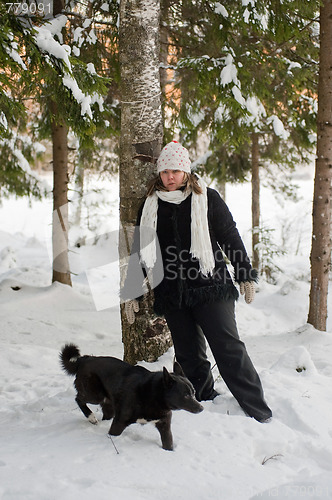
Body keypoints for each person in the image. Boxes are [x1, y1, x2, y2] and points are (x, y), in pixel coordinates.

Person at [122, 140, 272, 423]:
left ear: (186, 171)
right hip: (173, 292)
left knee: (228, 349)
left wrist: (244, 273)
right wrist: (132, 292)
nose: (169, 177)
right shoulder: (151, 205)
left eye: (175, 171)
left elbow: (229, 235)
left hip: (211, 287)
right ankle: (204, 403)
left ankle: (258, 411)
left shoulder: (207, 198)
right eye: (165, 171)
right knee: (189, 355)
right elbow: (141, 249)